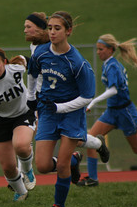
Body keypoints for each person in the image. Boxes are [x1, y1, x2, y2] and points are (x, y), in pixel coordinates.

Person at [25, 12, 110, 186]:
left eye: (29, 27)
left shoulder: (69, 56)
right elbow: (32, 73)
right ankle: (76, 159)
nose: (25, 30)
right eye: (50, 28)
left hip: (66, 105)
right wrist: (31, 97)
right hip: (46, 103)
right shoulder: (39, 49)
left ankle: (59, 204)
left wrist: (61, 106)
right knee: (46, 161)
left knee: (73, 141)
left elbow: (86, 93)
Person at [77, 34, 137, 187]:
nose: (98, 52)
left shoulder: (112, 65)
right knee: (89, 139)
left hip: (125, 112)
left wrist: (93, 102)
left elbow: (114, 90)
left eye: (101, 49)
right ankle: (93, 179)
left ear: (110, 50)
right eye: (97, 49)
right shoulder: (108, 64)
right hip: (112, 111)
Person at [0, 47, 36, 201]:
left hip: (23, 112)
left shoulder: (15, 69)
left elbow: (31, 61)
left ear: (4, 62)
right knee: (8, 168)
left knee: (21, 145)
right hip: (0, 121)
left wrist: (36, 86)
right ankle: (22, 192)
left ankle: (28, 171)